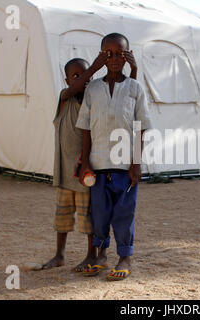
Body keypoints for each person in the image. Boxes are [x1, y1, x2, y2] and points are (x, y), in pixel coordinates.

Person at [42, 53, 138, 272]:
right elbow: (76, 87)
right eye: (76, 76)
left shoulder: (95, 98)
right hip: (65, 172)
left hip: (86, 171)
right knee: (62, 216)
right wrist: (94, 67)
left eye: (86, 75)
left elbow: (127, 105)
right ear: (66, 80)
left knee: (90, 218)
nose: (83, 79)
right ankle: (60, 255)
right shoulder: (64, 98)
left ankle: (91, 255)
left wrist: (132, 72)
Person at [76, 33, 152, 280]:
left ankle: (125, 257)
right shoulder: (94, 89)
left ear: (128, 56)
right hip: (97, 165)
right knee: (99, 213)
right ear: (101, 56)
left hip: (125, 165)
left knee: (123, 213)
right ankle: (100, 255)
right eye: (109, 54)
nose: (115, 58)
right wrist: (85, 161)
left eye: (120, 53)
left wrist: (137, 162)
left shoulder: (134, 88)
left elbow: (141, 127)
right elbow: (86, 127)